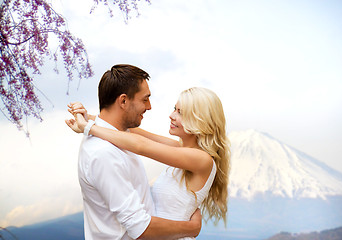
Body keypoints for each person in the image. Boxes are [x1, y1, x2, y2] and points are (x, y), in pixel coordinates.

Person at [67, 85, 231, 238]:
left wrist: (88, 128)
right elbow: (133, 132)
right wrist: (88, 117)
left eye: (180, 112)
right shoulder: (180, 149)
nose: (172, 115)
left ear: (198, 120)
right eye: (175, 109)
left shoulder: (202, 159)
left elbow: (140, 145)